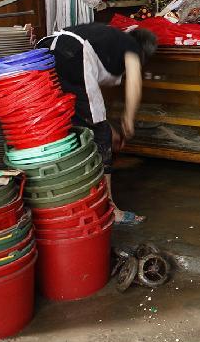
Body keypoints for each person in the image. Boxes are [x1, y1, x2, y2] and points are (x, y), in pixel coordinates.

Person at [37, 23, 157, 225]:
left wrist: (110, 128)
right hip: (73, 54)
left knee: (67, 122)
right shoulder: (131, 45)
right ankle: (110, 210)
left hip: (44, 51)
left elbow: (83, 107)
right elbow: (135, 84)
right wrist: (127, 119)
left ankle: (65, 201)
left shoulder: (107, 39)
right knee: (100, 135)